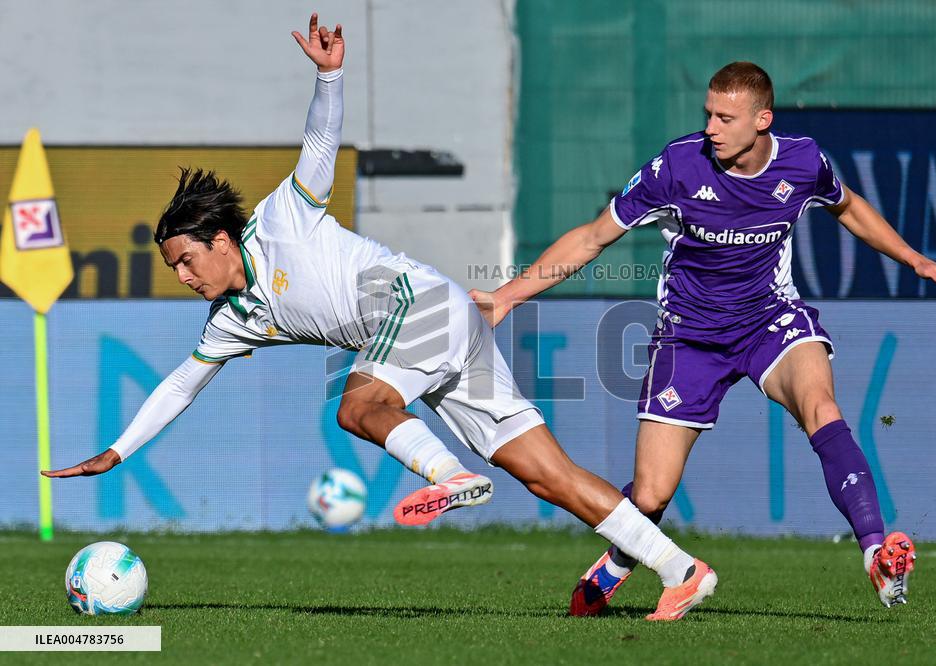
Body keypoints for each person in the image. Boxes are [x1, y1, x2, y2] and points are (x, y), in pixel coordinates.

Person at [41, 14, 717, 622]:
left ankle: (448, 477)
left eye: (186, 261)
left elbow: (320, 140)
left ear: (220, 240)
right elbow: (182, 384)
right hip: (444, 333)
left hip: (418, 308)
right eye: (174, 271)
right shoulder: (232, 319)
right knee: (548, 476)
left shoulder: (283, 216)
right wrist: (118, 451)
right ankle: (680, 570)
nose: (184, 278)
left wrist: (330, 76)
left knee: (356, 407)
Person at [470, 62, 936, 614]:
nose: (711, 127)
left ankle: (875, 553)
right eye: (708, 113)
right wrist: (508, 297)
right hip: (690, 337)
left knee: (821, 406)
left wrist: (916, 260)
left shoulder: (803, 161)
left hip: (769, 321)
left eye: (725, 117)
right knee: (653, 492)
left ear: (763, 120)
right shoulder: (678, 167)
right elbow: (592, 238)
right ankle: (614, 567)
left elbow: (848, 207)